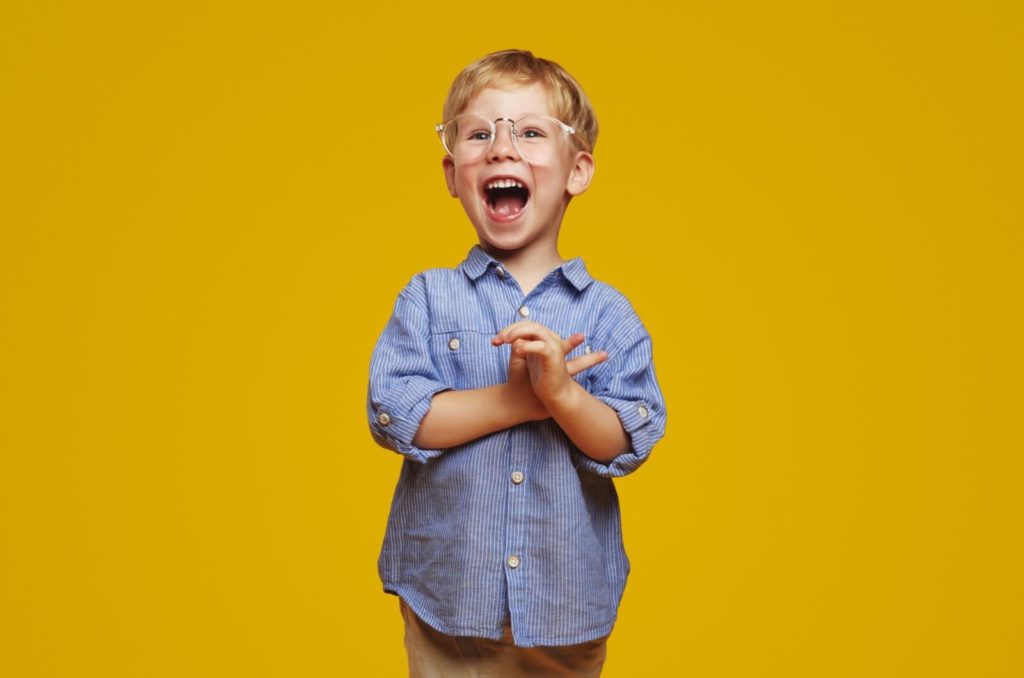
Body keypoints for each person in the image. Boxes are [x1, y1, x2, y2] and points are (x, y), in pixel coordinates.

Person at [367, 49, 667, 677]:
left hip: (565, 608)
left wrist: (564, 395)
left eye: (530, 132)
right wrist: (519, 401)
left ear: (577, 171)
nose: (502, 148)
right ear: (453, 175)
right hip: (446, 603)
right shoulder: (428, 297)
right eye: (479, 133)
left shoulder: (609, 313)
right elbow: (395, 415)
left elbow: (627, 441)